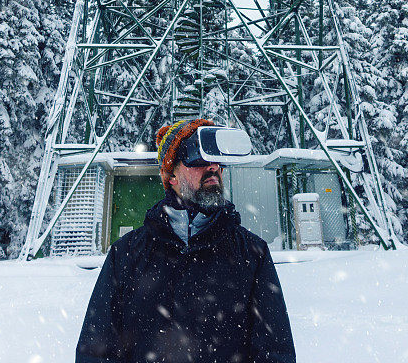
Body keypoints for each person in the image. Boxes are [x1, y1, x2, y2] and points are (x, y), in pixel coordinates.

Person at [76, 118, 296, 363]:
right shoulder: (126, 255)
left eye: (216, 159)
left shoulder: (252, 254)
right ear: (171, 177)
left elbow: (275, 351)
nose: (213, 167)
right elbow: (95, 351)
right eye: (198, 158)